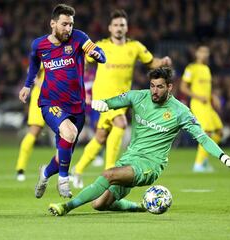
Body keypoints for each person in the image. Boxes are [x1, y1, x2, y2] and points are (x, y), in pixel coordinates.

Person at [48, 67, 230, 216]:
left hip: (150, 165)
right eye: (152, 86)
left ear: (169, 87)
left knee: (108, 174)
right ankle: (139, 207)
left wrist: (225, 158)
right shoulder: (139, 97)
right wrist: (102, 104)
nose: (154, 91)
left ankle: (66, 207)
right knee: (99, 205)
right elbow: (113, 101)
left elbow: (202, 137)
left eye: (160, 87)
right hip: (129, 158)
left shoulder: (180, 112)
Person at [72, 9, 171, 189]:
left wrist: (163, 61)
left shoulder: (135, 47)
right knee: (121, 124)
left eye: (122, 25)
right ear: (110, 28)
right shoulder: (100, 46)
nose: (119, 28)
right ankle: (110, 170)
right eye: (116, 25)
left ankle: (77, 170)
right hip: (103, 97)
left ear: (127, 28)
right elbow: (84, 63)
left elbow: (151, 62)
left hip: (122, 99)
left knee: (101, 137)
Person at [19, 4, 106, 198]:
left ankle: (45, 173)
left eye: (71, 24)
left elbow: (101, 55)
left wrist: (97, 55)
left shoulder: (79, 38)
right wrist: (27, 85)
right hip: (50, 103)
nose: (68, 29)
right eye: (64, 24)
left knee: (63, 154)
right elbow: (34, 65)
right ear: (53, 23)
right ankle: (64, 181)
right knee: (69, 132)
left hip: (77, 106)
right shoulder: (39, 45)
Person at [180, 45, 223, 172]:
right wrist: (198, 97)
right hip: (198, 104)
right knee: (207, 132)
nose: (205, 54)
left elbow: (207, 89)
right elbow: (183, 87)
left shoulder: (206, 69)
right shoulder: (191, 68)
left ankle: (204, 160)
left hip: (208, 105)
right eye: (202, 51)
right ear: (197, 53)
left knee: (219, 132)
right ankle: (198, 164)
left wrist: (213, 96)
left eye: (207, 52)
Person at [15, 67, 46, 181]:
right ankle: (20, 168)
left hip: (59, 95)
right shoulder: (46, 49)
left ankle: (63, 170)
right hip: (41, 95)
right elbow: (31, 68)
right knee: (34, 131)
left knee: (64, 131)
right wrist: (39, 83)